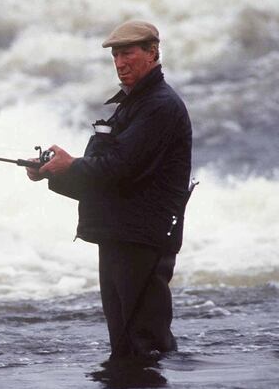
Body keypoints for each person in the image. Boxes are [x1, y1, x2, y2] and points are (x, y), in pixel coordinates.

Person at [27, 20, 193, 361]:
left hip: (143, 239)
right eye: (115, 56)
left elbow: (119, 168)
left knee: (146, 342)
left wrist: (69, 166)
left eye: (127, 53)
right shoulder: (133, 104)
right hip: (120, 236)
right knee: (124, 344)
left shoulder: (160, 106)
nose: (120, 63)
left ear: (152, 53)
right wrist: (51, 172)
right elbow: (106, 177)